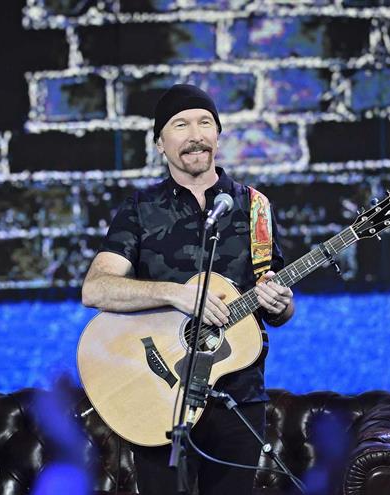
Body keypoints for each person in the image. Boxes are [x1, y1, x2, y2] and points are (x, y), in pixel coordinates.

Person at [81, 84, 295, 495]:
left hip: (239, 399)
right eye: (180, 125)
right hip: (160, 396)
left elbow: (278, 309)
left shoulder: (255, 207)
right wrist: (175, 294)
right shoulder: (140, 209)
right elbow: (96, 289)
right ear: (160, 143)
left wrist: (281, 303)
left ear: (218, 135)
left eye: (205, 123)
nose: (195, 135)